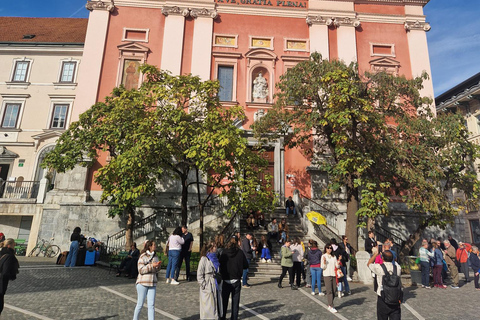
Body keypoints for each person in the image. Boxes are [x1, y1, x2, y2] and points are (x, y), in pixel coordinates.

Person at [367, 248, 402, 320]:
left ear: (382, 258)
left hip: (383, 298)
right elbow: (395, 262)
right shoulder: (398, 268)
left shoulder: (379, 268)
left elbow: (369, 263)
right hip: (395, 298)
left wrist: (376, 254)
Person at [219, 236, 248, 320]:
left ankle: (222, 317)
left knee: (224, 301)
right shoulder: (240, 253)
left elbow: (220, 264)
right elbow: (246, 265)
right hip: (236, 279)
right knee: (235, 302)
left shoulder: (224, 252)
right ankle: (234, 318)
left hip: (226, 279)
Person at [133, 240, 161, 320]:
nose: (155, 246)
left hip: (152, 283)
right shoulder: (143, 256)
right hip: (143, 283)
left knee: (151, 305)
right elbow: (141, 270)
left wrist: (158, 266)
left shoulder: (155, 256)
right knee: (140, 304)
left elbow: (155, 270)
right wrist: (152, 266)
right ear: (150, 246)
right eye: (154, 245)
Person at [197, 241, 223, 319]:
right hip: (208, 284)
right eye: (215, 247)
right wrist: (204, 285)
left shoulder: (215, 259)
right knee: (208, 306)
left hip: (215, 283)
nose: (216, 248)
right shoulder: (204, 259)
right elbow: (199, 275)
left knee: (216, 304)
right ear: (211, 248)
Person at [0, 238, 19, 316]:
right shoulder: (9, 257)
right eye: (13, 245)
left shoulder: (1, 253)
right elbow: (5, 272)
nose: (14, 247)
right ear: (9, 245)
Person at [321, 244, 339, 313]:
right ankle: (331, 305)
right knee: (329, 290)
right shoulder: (323, 256)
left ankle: (330, 303)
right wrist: (324, 262)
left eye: (330, 248)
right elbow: (322, 267)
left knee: (334, 290)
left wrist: (338, 262)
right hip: (327, 275)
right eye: (328, 248)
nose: (329, 249)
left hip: (334, 274)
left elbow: (337, 266)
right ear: (325, 249)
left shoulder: (334, 256)